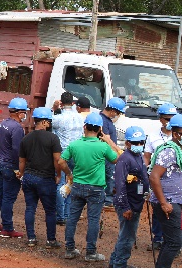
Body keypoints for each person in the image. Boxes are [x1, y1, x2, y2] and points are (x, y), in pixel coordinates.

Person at [59, 112, 120, 262]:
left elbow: (61, 162)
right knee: (93, 220)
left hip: (78, 186)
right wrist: (109, 142)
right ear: (100, 129)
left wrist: (69, 174)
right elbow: (116, 159)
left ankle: (69, 249)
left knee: (72, 218)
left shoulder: (74, 144)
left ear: (84, 126)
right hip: (96, 189)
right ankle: (90, 252)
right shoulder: (102, 147)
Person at [148, 113, 182, 268]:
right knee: (175, 242)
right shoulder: (169, 151)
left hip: (175, 201)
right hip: (168, 202)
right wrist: (163, 203)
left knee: (171, 241)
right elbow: (154, 176)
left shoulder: (180, 150)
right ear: (175, 134)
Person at [143, 103, 182, 251]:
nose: (169, 121)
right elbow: (147, 158)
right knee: (158, 210)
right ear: (160, 119)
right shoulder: (153, 136)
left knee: (177, 213)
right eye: (167, 118)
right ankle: (158, 237)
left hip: (175, 184)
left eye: (172, 118)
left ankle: (173, 241)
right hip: (157, 179)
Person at [18, 107, 62, 248]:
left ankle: (31, 238)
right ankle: (51, 240)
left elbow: (22, 161)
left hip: (29, 177)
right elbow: (57, 159)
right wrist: (58, 174)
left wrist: (22, 174)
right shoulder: (53, 138)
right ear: (43, 122)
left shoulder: (26, 138)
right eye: (48, 122)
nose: (49, 124)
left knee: (30, 208)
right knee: (50, 210)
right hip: (45, 179)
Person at [108, 126, 149, 268]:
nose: (139, 145)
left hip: (136, 202)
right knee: (127, 237)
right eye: (135, 143)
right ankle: (120, 264)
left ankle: (115, 261)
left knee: (126, 234)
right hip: (128, 204)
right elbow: (119, 185)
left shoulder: (139, 156)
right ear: (127, 143)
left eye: (141, 142)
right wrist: (125, 207)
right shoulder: (124, 159)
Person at [0, 97, 28, 238]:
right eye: (24, 112)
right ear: (19, 113)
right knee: (8, 198)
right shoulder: (17, 128)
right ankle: (7, 228)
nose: (25, 115)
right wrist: (20, 169)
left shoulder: (2, 123)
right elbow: (18, 150)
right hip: (10, 166)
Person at [52, 92, 84, 226]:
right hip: (76, 152)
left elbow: (49, 125)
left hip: (62, 152)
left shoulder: (57, 118)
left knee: (59, 182)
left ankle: (60, 215)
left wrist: (54, 109)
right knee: (71, 181)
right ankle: (68, 214)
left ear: (61, 103)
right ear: (73, 103)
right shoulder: (80, 118)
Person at [100, 97, 126, 210]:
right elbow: (106, 139)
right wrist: (117, 151)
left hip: (109, 154)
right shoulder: (104, 121)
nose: (118, 115)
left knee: (109, 176)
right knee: (109, 177)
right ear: (113, 111)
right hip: (107, 155)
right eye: (118, 112)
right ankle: (107, 200)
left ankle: (107, 199)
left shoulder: (106, 119)